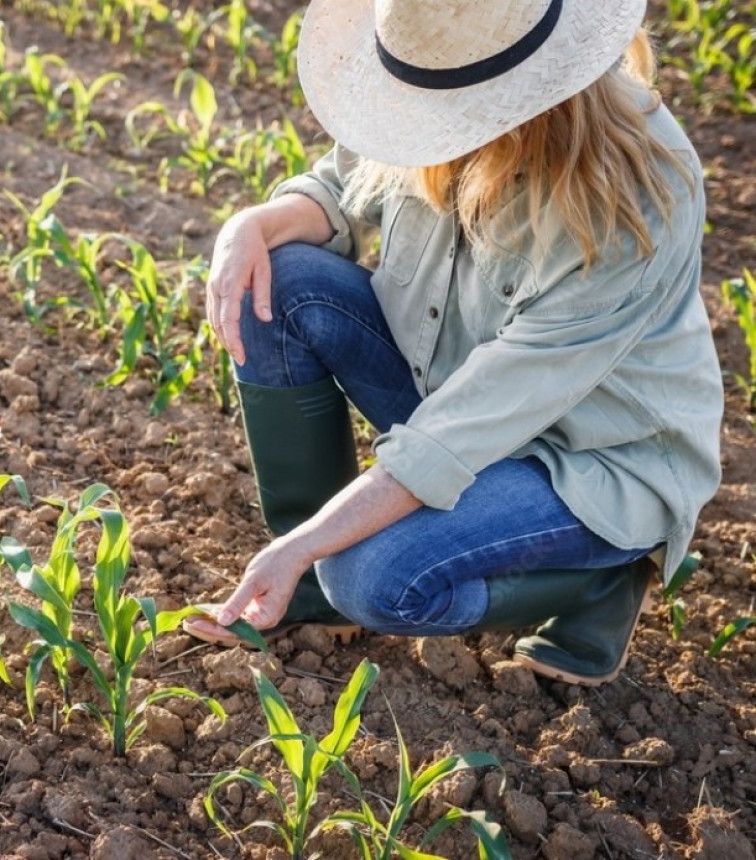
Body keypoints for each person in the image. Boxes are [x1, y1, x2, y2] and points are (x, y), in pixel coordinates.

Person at [183, 0, 724, 686]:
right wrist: (251, 225)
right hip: (447, 385)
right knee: (280, 280)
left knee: (373, 577)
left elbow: (462, 431)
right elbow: (340, 186)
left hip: (588, 459)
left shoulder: (639, 201)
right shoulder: (432, 77)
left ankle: (602, 583)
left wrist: (317, 542)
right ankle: (304, 590)